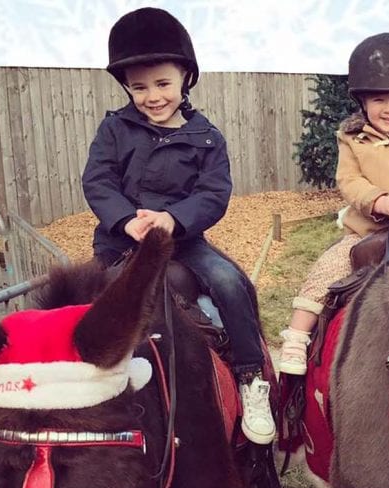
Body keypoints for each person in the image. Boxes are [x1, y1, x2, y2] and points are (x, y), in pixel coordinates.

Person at [82, 7, 275, 445]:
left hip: (183, 241)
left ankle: (250, 377)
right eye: (139, 87)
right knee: (99, 298)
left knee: (229, 281)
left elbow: (213, 194)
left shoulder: (207, 137)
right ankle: (95, 385)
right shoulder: (114, 129)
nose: (152, 96)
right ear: (126, 87)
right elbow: (98, 181)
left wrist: (174, 219)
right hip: (121, 242)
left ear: (186, 77)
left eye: (162, 83)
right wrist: (127, 220)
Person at [278, 32, 389, 375]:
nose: (388, 109)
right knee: (326, 270)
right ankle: (298, 336)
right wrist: (378, 200)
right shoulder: (352, 140)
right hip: (366, 230)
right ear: (362, 102)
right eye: (377, 100)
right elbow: (349, 181)